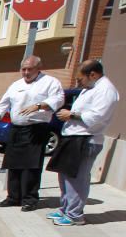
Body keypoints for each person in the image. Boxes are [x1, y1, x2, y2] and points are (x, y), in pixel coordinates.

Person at [0, 55, 64, 212]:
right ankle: (13, 197)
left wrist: (40, 105)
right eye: (24, 69)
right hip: (17, 128)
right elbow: (3, 104)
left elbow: (59, 99)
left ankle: (30, 199)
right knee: (13, 164)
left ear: (38, 68)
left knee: (31, 166)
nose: (26, 72)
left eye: (30, 69)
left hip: (36, 128)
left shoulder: (50, 82)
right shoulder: (16, 85)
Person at [48, 60, 120, 226]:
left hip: (86, 139)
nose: (78, 83)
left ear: (92, 74)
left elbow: (97, 117)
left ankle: (75, 215)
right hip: (73, 137)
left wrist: (71, 115)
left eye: (80, 79)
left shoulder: (106, 90)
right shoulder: (90, 88)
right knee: (65, 175)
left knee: (77, 178)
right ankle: (66, 208)